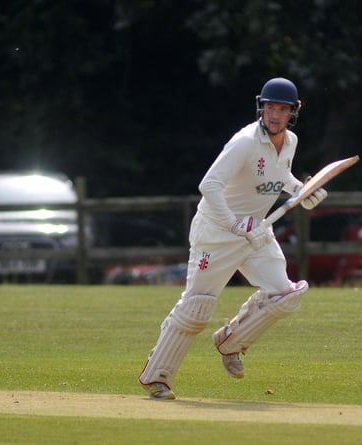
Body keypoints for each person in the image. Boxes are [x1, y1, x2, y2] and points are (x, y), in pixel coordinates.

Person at [138, 78, 327, 399]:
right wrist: (235, 223)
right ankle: (156, 377)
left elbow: (278, 177)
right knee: (197, 308)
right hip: (217, 233)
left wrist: (301, 190)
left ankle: (230, 341)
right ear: (261, 107)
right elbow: (208, 185)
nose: (275, 115)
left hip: (257, 232)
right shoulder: (244, 143)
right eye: (270, 108)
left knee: (285, 294)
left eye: (282, 110)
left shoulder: (290, 141)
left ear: (293, 112)